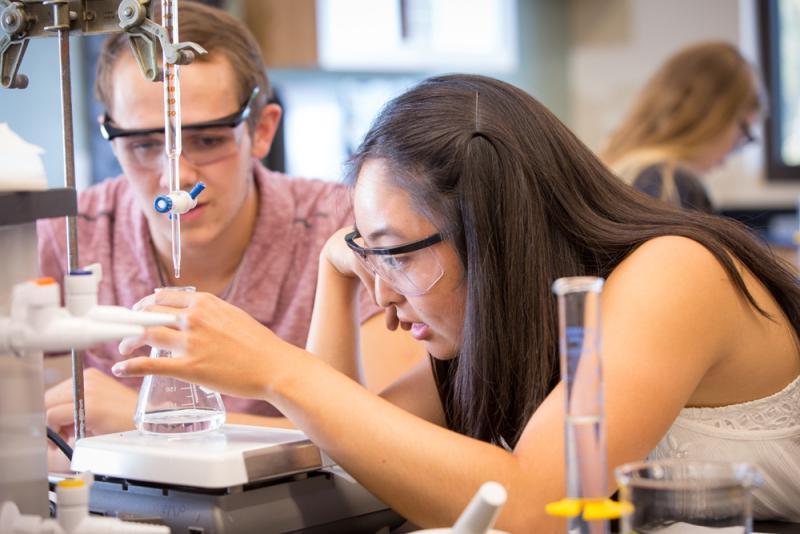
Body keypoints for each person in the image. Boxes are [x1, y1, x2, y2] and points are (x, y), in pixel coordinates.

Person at [113, 74, 800, 530]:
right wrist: (335, 273)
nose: (381, 293)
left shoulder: (674, 274)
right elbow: (350, 444)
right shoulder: (501, 331)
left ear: (492, 230)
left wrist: (274, 367)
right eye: (367, 252)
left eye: (398, 252)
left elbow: (537, 509)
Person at [38, 1, 423, 439]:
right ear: (109, 135)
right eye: (144, 143)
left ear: (262, 130)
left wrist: (138, 417)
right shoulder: (65, 235)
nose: (176, 176)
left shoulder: (346, 226)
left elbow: (398, 435)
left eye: (206, 140)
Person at [602, 41, 765, 213]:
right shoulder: (670, 182)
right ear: (713, 117)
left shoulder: (623, 169)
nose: (734, 148)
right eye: (744, 130)